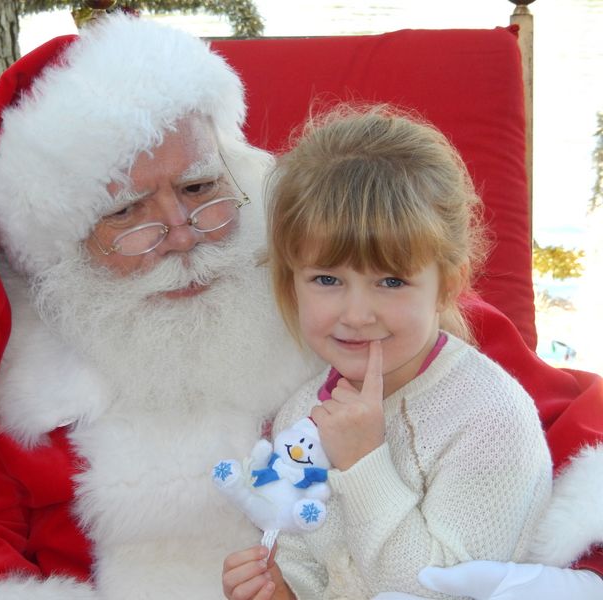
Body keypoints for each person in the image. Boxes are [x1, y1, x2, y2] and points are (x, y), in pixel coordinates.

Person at [0, 13, 603, 600]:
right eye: (130, 211)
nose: (182, 233)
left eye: (199, 188)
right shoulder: (22, 369)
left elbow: (554, 414)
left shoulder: (325, 279)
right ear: (61, 240)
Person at [221, 105, 553, 599]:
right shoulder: (305, 409)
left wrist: (363, 464)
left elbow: (441, 591)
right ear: (290, 282)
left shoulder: (490, 419)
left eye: (391, 281)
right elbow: (311, 563)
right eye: (327, 279)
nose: (356, 313)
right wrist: (281, 590)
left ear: (447, 286)